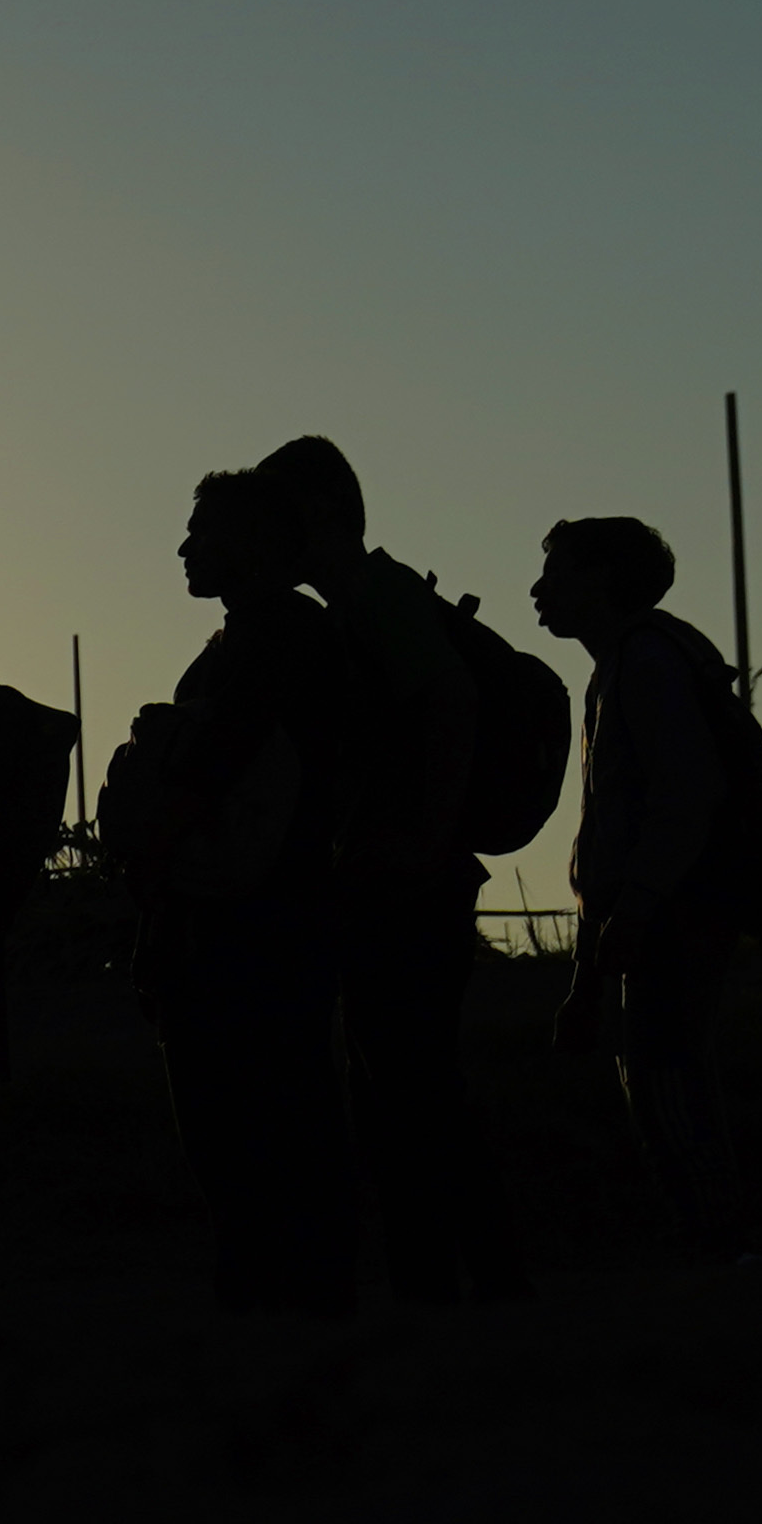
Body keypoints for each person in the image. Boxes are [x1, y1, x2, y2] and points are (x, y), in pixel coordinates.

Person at [269, 436, 517, 1303]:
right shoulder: (357, 603)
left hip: (411, 886)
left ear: (323, 517)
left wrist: (422, 843)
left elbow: (447, 704)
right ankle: (440, 1286)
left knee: (414, 1092)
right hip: (395, 878)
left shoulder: (377, 598)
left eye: (280, 517)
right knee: (391, 1093)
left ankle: (484, 1282)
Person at [106, 465, 356, 1316]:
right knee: (272, 1111)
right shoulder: (265, 635)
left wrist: (150, 869)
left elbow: (209, 771)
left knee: (246, 1118)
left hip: (248, 921)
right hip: (258, 913)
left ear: (250, 545)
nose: (183, 547)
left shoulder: (266, 639)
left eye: (201, 531)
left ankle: (278, 1292)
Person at [531, 518, 751, 1261]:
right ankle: (707, 1244)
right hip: (661, 910)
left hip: (672, 913)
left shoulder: (645, 663)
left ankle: (715, 1249)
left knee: (667, 1080)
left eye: (556, 573)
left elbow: (678, 800)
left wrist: (637, 909)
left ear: (599, 583)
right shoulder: (630, 662)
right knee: (661, 1078)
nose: (538, 589)